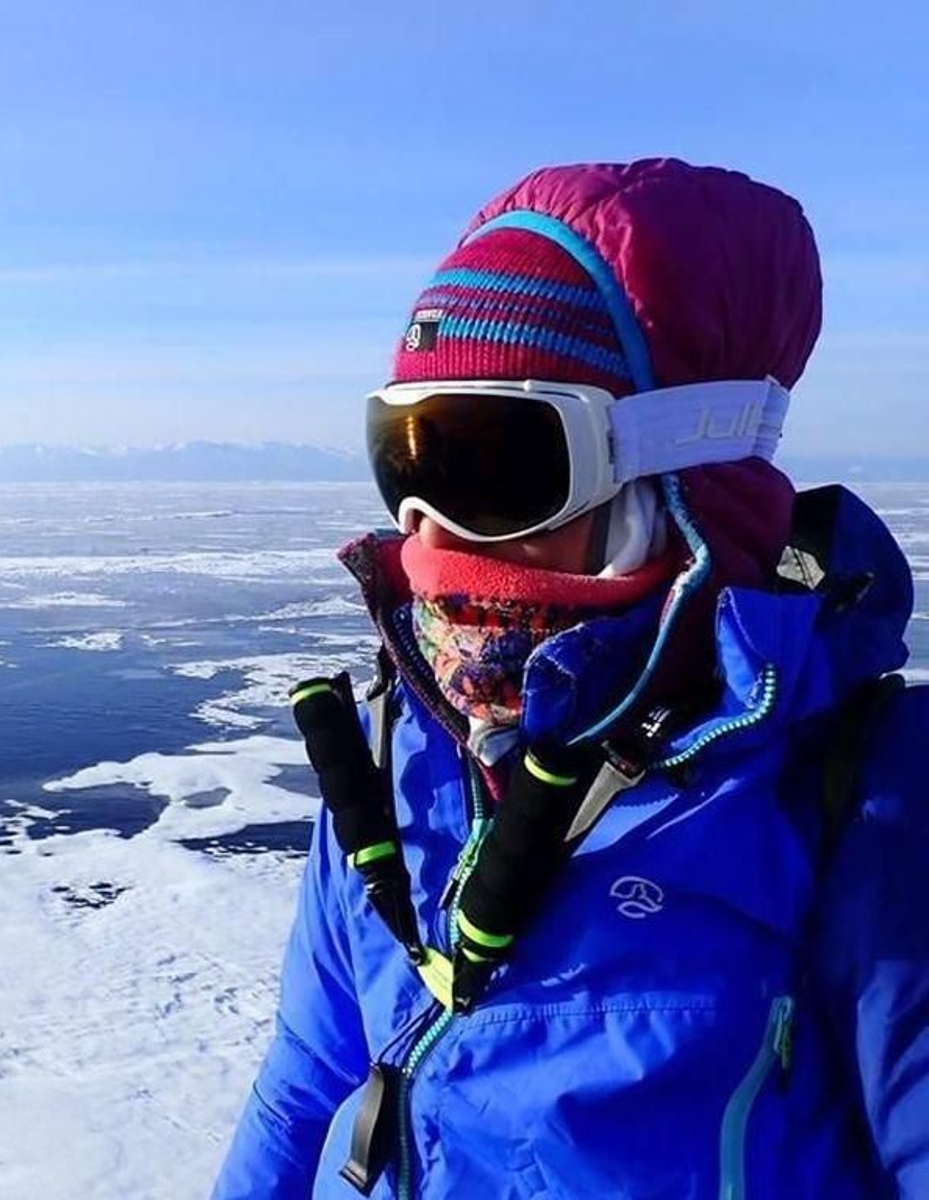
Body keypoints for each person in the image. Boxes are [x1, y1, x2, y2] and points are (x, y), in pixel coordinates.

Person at [212, 159, 929, 1198]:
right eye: (404, 460)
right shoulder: (397, 755)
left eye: (490, 465)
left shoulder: (864, 799)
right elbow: (307, 1082)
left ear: (678, 471)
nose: (427, 537)